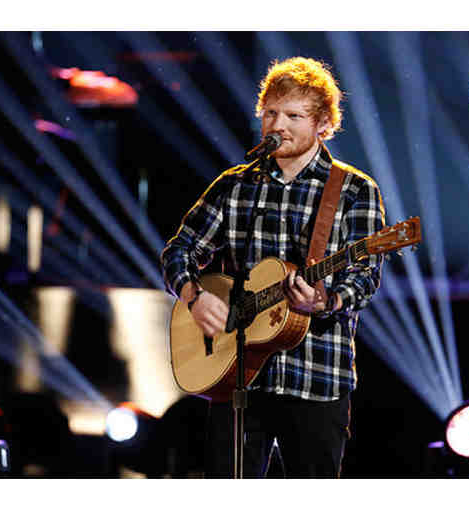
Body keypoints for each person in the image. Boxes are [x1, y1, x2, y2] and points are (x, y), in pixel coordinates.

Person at [161, 57, 385, 478]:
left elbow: (365, 276)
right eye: (270, 113)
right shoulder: (236, 184)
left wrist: (325, 301)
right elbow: (180, 249)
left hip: (316, 377)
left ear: (323, 124)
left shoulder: (354, 190)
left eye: (293, 116)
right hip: (236, 376)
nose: (277, 125)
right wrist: (194, 296)